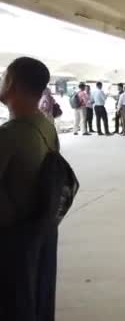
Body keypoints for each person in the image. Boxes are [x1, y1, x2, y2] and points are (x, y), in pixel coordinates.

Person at [0, 57, 60, 321]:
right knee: (37, 300)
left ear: (11, 83)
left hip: (13, 242)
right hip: (42, 236)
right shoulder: (46, 125)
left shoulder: (9, 135)